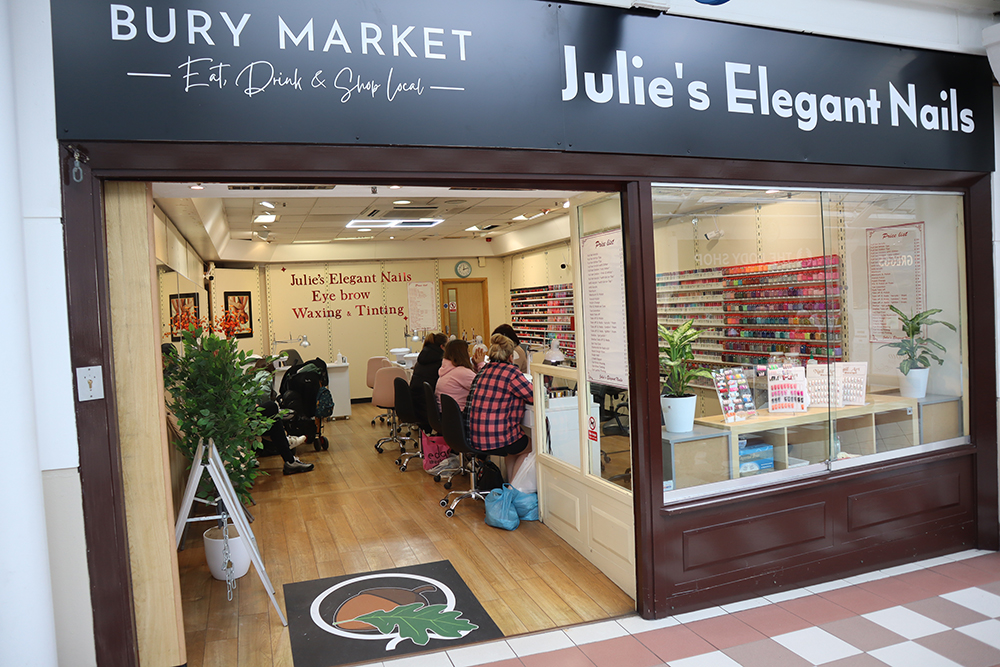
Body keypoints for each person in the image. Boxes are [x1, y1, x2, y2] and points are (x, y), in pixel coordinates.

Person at [466, 333, 534, 481]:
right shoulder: (511, 373)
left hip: (475, 436)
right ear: (510, 357)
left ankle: (510, 484)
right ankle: (514, 486)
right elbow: (534, 396)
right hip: (497, 439)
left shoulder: (483, 370)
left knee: (513, 447)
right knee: (533, 446)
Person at [410, 332, 448, 430]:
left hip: (417, 405)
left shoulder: (422, 358)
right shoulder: (440, 362)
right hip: (428, 408)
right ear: (442, 347)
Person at [435, 339, 485, 411]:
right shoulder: (461, 372)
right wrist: (481, 364)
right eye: (468, 351)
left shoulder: (448, 369)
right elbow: (485, 386)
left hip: (446, 414)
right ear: (462, 354)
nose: (470, 355)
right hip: (460, 413)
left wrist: (475, 367)